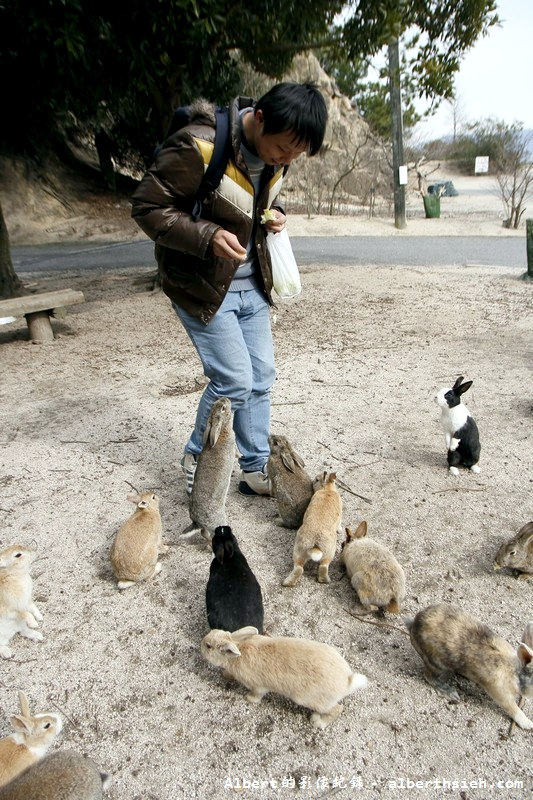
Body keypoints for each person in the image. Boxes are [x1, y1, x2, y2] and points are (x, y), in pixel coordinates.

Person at [131, 82, 327, 496]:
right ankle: (198, 458)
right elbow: (147, 207)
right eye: (284, 148)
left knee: (260, 376)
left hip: (252, 284)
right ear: (259, 120)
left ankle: (255, 467)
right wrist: (206, 235)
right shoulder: (199, 145)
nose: (287, 159)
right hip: (203, 287)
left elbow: (248, 205)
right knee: (234, 380)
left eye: (297, 153)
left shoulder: (278, 158)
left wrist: (276, 217)